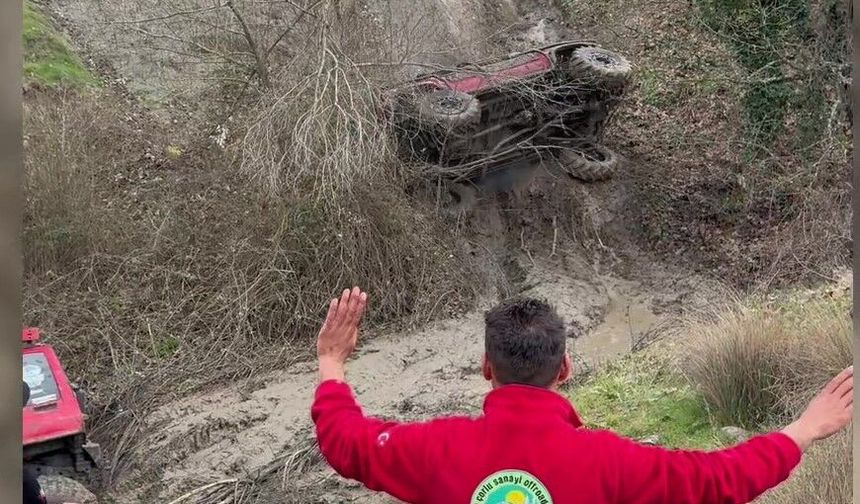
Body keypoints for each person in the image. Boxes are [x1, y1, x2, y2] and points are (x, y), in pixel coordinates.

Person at [311, 287, 854, 504]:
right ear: (566, 367)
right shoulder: (608, 460)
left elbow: (346, 441)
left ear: (485, 368)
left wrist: (332, 363)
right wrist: (801, 431)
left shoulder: (434, 449)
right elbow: (717, 480)